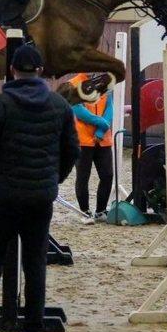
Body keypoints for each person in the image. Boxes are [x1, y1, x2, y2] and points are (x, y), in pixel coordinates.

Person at [0, 44, 80, 332]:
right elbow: (72, 151)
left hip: (2, 195)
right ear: (40, 71)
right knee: (35, 262)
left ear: (13, 70)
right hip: (40, 197)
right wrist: (53, 179)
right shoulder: (59, 105)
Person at [68, 73, 114, 225]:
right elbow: (77, 110)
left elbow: (109, 108)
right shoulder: (73, 84)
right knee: (83, 176)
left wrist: (101, 131)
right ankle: (84, 211)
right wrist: (101, 123)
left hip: (103, 139)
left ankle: (100, 211)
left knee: (107, 175)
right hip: (82, 139)